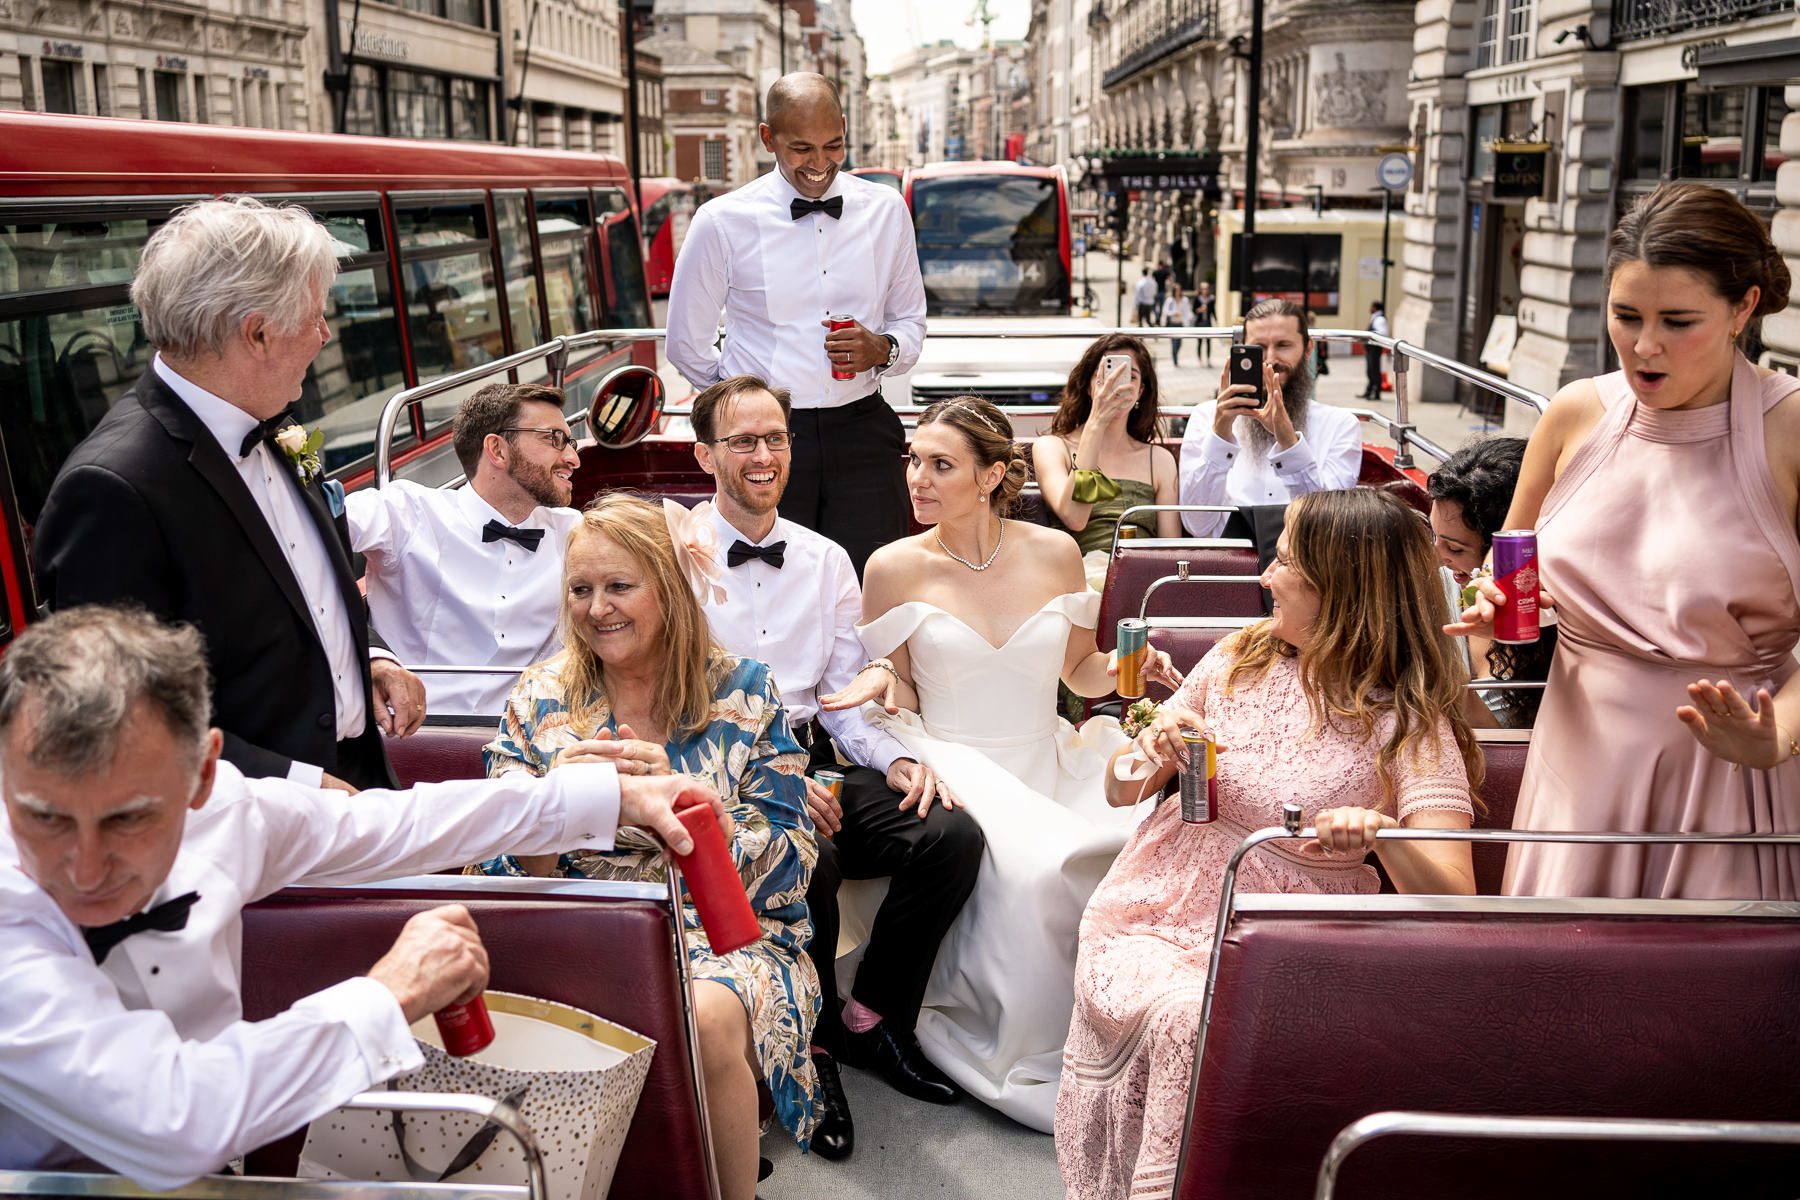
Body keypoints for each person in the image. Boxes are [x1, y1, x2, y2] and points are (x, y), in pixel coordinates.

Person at [0, 604, 719, 1184]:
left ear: (204, 774)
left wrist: (606, 795)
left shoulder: (230, 813)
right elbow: (175, 1118)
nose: (84, 868)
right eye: (43, 817)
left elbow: (390, 823)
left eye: (127, 819)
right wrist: (391, 992)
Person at [1056, 488, 1481, 1200]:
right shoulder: (1236, 657)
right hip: (1163, 897)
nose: (1263, 577)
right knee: (1177, 1011)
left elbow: (1455, 893)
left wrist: (1386, 837)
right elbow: (1121, 793)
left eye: (1284, 562)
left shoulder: (1407, 718)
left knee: (1192, 1017)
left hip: (1296, 928)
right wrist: (1153, 746)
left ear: (1341, 589)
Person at [820, 395, 1182, 1133]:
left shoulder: (1055, 554)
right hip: (950, 752)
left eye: (940, 465)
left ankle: (1122, 1033)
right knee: (1049, 864)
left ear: (991, 477)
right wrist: (880, 684)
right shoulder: (890, 566)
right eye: (913, 460)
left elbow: (1080, 673)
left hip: (1045, 750)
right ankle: (1025, 1043)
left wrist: (1132, 668)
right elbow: (900, 688)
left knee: (1141, 830)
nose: (917, 478)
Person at [1449, 182, 1800, 900]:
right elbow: (1512, 570)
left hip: (1729, 765)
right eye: (1626, 315)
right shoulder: (1575, 412)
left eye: (1678, 321)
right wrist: (1497, 604)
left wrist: (1777, 735)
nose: (1644, 346)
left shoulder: (1790, 430)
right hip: (1576, 761)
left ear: (1745, 307)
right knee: (1560, 989)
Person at [473, 494, 819, 1200]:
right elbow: (495, 871)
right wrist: (551, 812)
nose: (597, 608)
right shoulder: (538, 699)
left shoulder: (747, 694)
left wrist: (702, 809)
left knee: (707, 1011)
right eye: (581, 589)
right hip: (575, 926)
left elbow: (791, 860)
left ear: (669, 587)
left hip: (723, 934)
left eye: (619, 586)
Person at [679, 374, 985, 1161]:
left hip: (820, 754)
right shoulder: (674, 556)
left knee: (948, 834)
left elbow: (846, 700)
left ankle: (871, 1019)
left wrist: (900, 759)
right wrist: (782, 783)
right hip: (726, 777)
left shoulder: (824, 560)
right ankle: (810, 1054)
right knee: (804, 861)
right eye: (743, 439)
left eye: (775, 437)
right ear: (704, 452)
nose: (764, 454)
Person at [33, 197, 424, 792]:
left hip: (362, 778)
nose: (325, 335)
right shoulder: (112, 489)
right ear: (258, 333)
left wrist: (369, 655)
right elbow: (119, 719)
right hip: (254, 827)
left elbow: (313, 583)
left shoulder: (267, 415)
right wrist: (294, 783)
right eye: (315, 317)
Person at [666, 72, 926, 577]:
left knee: (877, 579)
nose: (820, 164)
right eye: (802, 148)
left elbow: (911, 321)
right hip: (768, 438)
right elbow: (685, 344)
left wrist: (884, 350)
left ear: (846, 130)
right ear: (768, 139)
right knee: (768, 578)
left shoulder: (887, 209)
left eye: (834, 146)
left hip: (863, 429)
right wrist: (745, 406)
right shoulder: (721, 220)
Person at [346, 382, 583, 717]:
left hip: (525, 743)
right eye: (554, 439)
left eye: (570, 442)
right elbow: (306, 539)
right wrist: (369, 653)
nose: (573, 458)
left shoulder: (572, 531)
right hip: (410, 736)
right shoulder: (406, 512)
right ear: (498, 451)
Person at [1177, 299, 1364, 538]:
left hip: (1304, 567)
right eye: (1259, 348)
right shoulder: (1205, 417)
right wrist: (1220, 435)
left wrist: (1289, 444)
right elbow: (1197, 524)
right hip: (1227, 566)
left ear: (1308, 350)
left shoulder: (1341, 425)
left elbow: (1326, 529)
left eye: (1284, 346)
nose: (1271, 359)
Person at [1031, 335, 1181, 590]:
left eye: (1130, 377)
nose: (1117, 385)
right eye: (1107, 374)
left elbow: (1170, 553)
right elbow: (1075, 517)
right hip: (1074, 585)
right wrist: (1097, 422)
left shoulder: (1160, 460)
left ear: (1140, 391)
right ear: (1090, 385)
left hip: (1139, 586)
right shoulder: (1052, 447)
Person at [1426, 437, 1556, 727]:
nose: (1436, 559)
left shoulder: (1559, 616)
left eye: (1455, 549)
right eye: (1433, 536)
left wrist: (1453, 690)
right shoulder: (1439, 587)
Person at [1161, 284, 1195, 366]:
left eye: (1179, 290)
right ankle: (1175, 359)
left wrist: (1187, 325)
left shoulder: (1184, 300)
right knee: (1174, 342)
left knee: (1179, 343)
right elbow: (1165, 311)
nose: (1178, 292)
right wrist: (1173, 313)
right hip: (1172, 324)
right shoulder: (1170, 300)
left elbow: (1186, 313)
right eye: (1176, 290)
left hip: (1180, 324)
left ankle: (1175, 354)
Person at [1363, 299, 1389, 400]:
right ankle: (1369, 391)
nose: (1370, 308)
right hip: (1371, 348)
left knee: (1374, 370)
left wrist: (1370, 335)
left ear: (1375, 307)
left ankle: (1376, 393)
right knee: (1370, 370)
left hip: (1375, 348)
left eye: (1371, 306)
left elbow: (1382, 333)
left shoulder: (1380, 319)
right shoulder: (1375, 317)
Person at [1193, 282, 1217, 365]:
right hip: (1199, 322)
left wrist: (1216, 320)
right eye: (1203, 288)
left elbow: (1213, 311)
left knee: (1208, 342)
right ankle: (1199, 359)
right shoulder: (1197, 298)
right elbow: (1194, 310)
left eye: (1206, 288)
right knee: (1199, 341)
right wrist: (1200, 309)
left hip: (1207, 322)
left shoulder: (1211, 299)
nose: (1204, 290)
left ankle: (1208, 359)